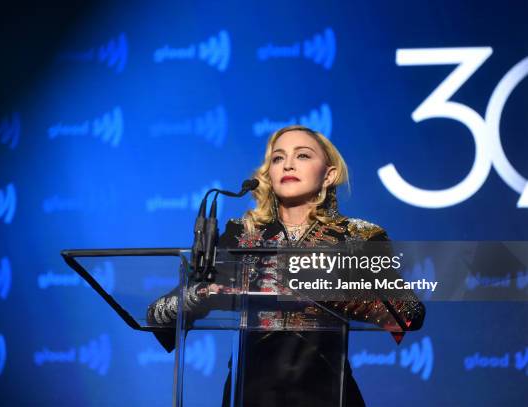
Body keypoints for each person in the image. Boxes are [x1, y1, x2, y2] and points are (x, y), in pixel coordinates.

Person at [147, 125, 426, 406]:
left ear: (328, 174)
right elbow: (159, 314)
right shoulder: (240, 234)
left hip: (329, 392)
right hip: (250, 393)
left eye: (303, 155)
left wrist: (333, 290)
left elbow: (409, 313)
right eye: (278, 158)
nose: (288, 164)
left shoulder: (358, 236)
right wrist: (203, 295)